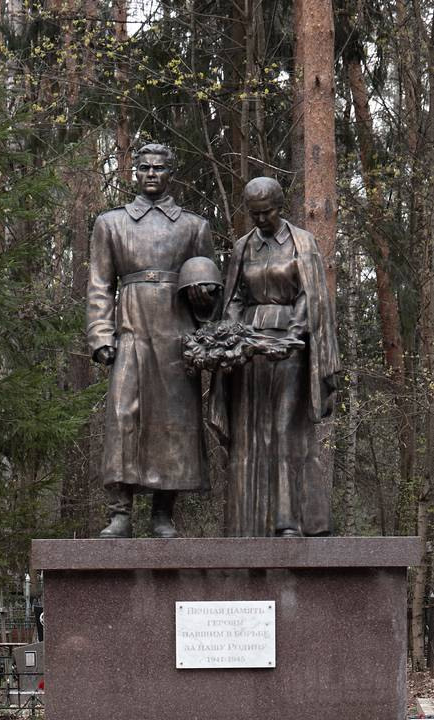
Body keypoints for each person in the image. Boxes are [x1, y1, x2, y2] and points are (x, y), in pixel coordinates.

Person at [85, 142, 214, 539]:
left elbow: (211, 286)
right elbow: (99, 285)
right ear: (134, 173)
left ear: (170, 173)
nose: (151, 174)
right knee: (124, 418)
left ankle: (163, 512)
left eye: (159, 168)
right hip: (132, 332)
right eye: (144, 168)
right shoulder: (111, 223)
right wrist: (100, 334)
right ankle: (120, 511)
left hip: (177, 336)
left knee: (173, 423)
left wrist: (204, 304)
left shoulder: (194, 227)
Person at [207, 176, 341, 537]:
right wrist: (232, 336)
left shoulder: (303, 243)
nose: (261, 220)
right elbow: (234, 297)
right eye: (254, 214)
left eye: (266, 212)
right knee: (250, 432)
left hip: (289, 345)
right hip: (249, 349)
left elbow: (310, 295)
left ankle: (290, 519)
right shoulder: (242, 248)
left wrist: (294, 333)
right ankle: (249, 521)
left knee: (286, 428)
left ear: (279, 207)